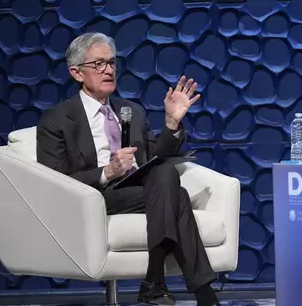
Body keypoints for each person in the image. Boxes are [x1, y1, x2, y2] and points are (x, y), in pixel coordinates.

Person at [36, 32, 221, 306]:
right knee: (177, 195)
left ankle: (155, 282)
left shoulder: (131, 111)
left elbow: (156, 157)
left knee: (165, 175)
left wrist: (171, 124)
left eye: (112, 63)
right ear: (76, 73)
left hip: (141, 191)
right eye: (98, 64)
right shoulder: (57, 119)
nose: (109, 70)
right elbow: (53, 180)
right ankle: (191, 291)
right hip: (95, 195)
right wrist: (107, 172)